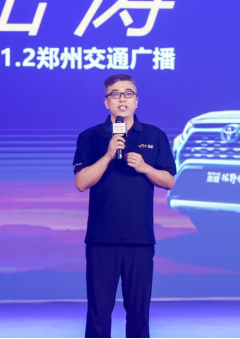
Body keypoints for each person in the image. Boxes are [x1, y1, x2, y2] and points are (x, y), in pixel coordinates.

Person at [73, 74, 176, 338]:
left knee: (139, 315)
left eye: (128, 93)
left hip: (139, 239)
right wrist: (108, 155)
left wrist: (145, 167)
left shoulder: (154, 135)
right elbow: (82, 182)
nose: (122, 99)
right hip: (101, 239)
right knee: (98, 314)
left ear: (136, 101)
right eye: (116, 94)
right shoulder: (90, 137)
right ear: (106, 102)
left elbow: (169, 181)